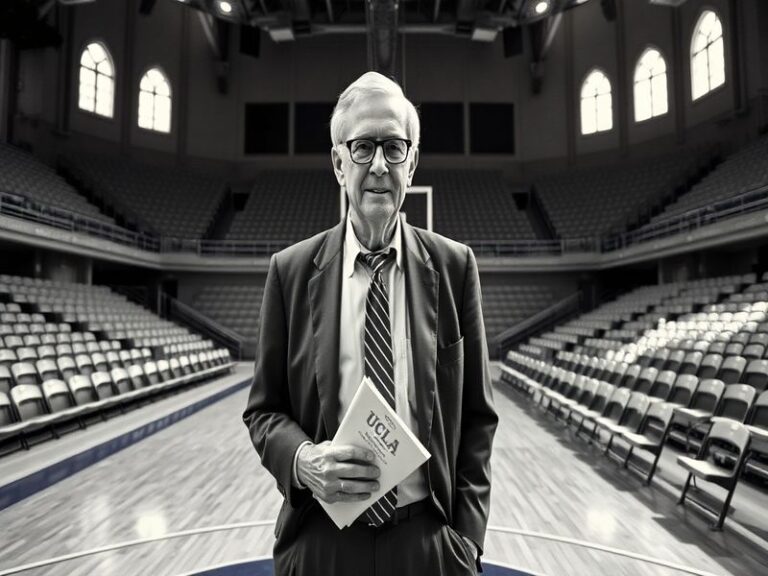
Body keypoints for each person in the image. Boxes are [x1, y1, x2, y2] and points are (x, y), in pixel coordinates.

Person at [242, 71, 498, 576]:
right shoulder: (290, 271)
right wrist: (302, 462)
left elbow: (477, 417)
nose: (379, 164)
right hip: (320, 539)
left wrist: (465, 542)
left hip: (427, 540)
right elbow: (263, 412)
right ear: (339, 163)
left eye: (394, 147)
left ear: (413, 160)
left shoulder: (455, 266)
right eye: (362, 147)